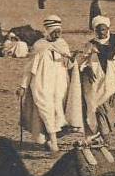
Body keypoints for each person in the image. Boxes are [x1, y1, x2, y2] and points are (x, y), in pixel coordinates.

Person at [18, 15, 82, 153]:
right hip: (41, 83)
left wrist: (72, 60)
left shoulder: (62, 44)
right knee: (45, 109)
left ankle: (49, 139)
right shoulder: (39, 45)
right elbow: (29, 68)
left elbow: (68, 64)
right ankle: (53, 143)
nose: (57, 35)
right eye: (54, 32)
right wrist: (23, 86)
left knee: (57, 112)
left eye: (59, 32)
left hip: (59, 85)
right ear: (48, 30)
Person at [79, 15, 115, 144]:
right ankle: (104, 139)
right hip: (97, 86)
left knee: (109, 113)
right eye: (98, 30)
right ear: (95, 30)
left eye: (104, 29)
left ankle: (103, 137)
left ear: (108, 29)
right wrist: (86, 68)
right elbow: (82, 62)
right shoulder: (90, 45)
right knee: (98, 111)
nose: (101, 32)